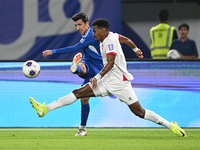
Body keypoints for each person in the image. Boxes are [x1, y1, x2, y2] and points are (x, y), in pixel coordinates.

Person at [30, 18, 187, 138]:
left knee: (139, 112)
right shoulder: (111, 36)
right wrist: (136, 49)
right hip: (107, 82)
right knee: (78, 93)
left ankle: (170, 125)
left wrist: (97, 76)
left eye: (95, 31)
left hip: (120, 83)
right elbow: (127, 40)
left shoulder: (109, 41)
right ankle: (45, 109)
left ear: (103, 30)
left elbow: (111, 64)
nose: (93, 33)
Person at [42, 13, 143, 136]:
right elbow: (126, 40)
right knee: (83, 91)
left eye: (80, 25)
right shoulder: (87, 34)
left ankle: (77, 69)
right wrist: (136, 49)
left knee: (84, 86)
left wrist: (52, 51)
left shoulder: (91, 35)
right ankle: (82, 128)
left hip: (98, 67)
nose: (78, 28)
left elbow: (74, 48)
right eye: (76, 25)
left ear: (87, 24)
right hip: (88, 61)